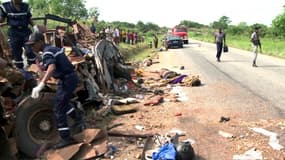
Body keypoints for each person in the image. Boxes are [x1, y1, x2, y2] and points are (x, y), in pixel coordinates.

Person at [26, 32, 84, 149]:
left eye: (34, 44)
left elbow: (52, 68)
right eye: (30, 45)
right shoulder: (51, 49)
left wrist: (41, 85)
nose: (32, 47)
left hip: (67, 79)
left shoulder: (47, 52)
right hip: (68, 78)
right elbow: (50, 65)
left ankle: (65, 138)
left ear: (41, 42)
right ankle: (78, 118)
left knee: (58, 108)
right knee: (62, 101)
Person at [0, 0, 38, 70]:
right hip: (14, 32)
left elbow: (29, 18)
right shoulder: (6, 6)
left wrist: (35, 27)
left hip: (25, 31)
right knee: (16, 52)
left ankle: (33, 69)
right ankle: (20, 70)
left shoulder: (25, 6)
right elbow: (1, 19)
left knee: (30, 50)